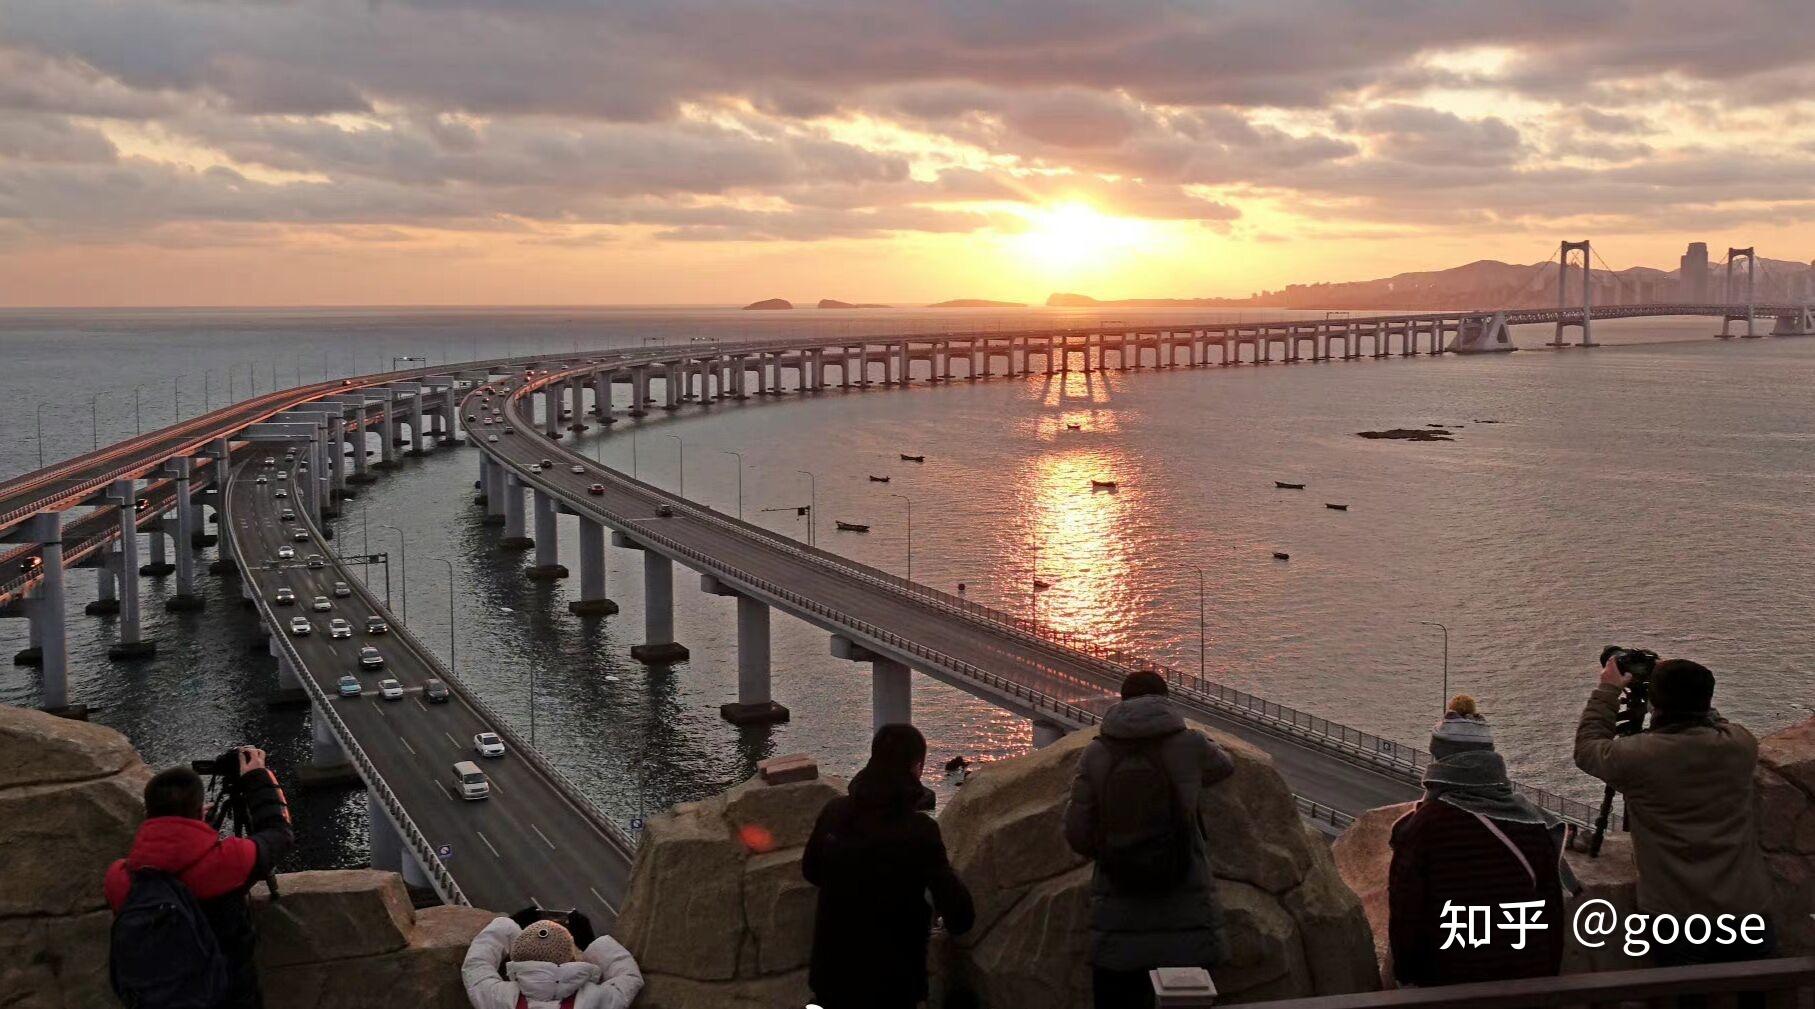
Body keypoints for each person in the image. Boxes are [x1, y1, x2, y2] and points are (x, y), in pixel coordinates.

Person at [1574, 656, 1776, 978]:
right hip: (1745, 905)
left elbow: (1587, 748)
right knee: (1756, 991)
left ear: (1655, 703)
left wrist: (1608, 690)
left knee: (1684, 993)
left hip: (1675, 914)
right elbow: (1711, 718)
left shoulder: (1636, 757)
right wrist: (1680, 683)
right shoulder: (1740, 745)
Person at [1063, 670, 1235, 1009]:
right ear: (1165, 700)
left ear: (1122, 702)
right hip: (1185, 914)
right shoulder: (1190, 744)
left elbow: (1077, 833)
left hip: (1117, 918)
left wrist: (1115, 849)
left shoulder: (1096, 753)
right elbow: (1225, 766)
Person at [1388, 695, 1567, 987]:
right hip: (1526, 980)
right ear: (1489, 760)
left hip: (1452, 981)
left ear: (1441, 761)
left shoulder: (1424, 826)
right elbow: (1552, 913)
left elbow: (1406, 916)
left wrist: (1407, 978)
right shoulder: (1533, 822)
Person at [105, 746, 294, 1009]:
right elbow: (279, 834)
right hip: (227, 998)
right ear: (199, 811)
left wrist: (191, 827)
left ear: (149, 813)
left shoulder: (119, 879)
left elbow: (167, 856)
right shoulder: (228, 862)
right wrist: (258, 778)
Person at [802, 723, 974, 1009]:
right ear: (917, 768)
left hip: (830, 980)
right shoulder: (919, 831)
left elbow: (811, 871)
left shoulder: (834, 812)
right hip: (893, 987)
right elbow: (960, 916)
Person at [461, 909, 643, 1009]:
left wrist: (509, 926)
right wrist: (590, 943)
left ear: (516, 959)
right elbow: (629, 977)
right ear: (571, 959)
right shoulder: (594, 1000)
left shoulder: (500, 998)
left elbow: (476, 965)